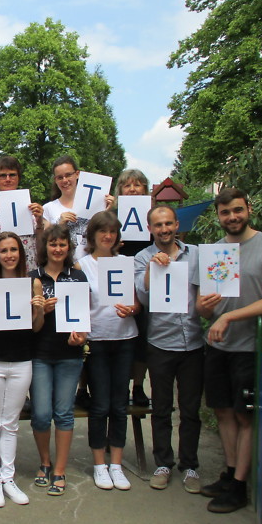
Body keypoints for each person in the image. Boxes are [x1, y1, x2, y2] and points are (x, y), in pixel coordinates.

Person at [196, 188, 262, 513]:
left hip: (251, 350)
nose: (232, 217)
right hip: (218, 347)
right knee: (223, 410)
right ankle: (229, 472)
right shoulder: (215, 253)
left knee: (246, 414)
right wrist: (206, 307)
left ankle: (240, 486)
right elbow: (205, 311)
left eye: (237, 210)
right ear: (218, 216)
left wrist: (229, 316)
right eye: (225, 213)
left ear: (249, 209)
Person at [134, 206, 204, 493]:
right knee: (161, 408)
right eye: (157, 225)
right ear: (150, 229)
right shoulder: (142, 258)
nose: (163, 229)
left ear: (177, 225)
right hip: (160, 342)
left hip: (194, 342)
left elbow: (208, 290)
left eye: (168, 224)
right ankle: (163, 463)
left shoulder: (197, 255)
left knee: (190, 409)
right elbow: (142, 295)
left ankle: (190, 466)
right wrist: (153, 268)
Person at [0, 232, 44, 507]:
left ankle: (8, 478)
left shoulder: (32, 283)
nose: (9, 255)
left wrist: (38, 311)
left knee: (10, 423)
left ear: (21, 253)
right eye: (4, 251)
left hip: (22, 360)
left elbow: (36, 327)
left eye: (13, 249)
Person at [77, 210, 140, 491]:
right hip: (98, 341)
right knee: (100, 404)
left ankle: (117, 464)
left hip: (125, 339)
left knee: (119, 404)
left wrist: (133, 308)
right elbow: (77, 306)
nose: (108, 235)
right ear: (92, 236)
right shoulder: (82, 265)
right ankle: (99, 465)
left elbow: (137, 302)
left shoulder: (127, 262)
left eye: (112, 231)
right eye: (102, 231)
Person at [29, 225, 88, 497]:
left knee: (63, 414)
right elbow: (29, 326)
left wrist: (81, 337)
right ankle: (45, 462)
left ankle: (60, 470)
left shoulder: (77, 276)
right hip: (39, 354)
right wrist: (41, 311)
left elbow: (84, 318)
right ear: (45, 247)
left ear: (68, 247)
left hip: (69, 355)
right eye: (53, 244)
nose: (58, 248)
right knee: (41, 414)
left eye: (62, 244)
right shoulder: (32, 278)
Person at [113, 168, 153, 408]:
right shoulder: (113, 215)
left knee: (142, 335)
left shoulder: (152, 216)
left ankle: (138, 385)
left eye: (138, 184)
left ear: (145, 189)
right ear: (120, 190)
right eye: (127, 185)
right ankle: (121, 386)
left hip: (146, 277)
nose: (133, 189)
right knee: (118, 330)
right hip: (118, 275)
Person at [0, 155, 44, 277]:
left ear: (18, 177)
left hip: (27, 273)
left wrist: (40, 223)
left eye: (12, 175)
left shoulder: (31, 208)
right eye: (2, 175)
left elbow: (40, 247)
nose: (8, 179)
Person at [43, 155, 114, 260]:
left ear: (77, 174)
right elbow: (45, 243)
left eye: (68, 175)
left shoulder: (96, 203)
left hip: (92, 265)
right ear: (55, 180)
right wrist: (59, 224)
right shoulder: (48, 208)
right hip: (63, 268)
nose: (65, 180)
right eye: (60, 177)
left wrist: (107, 212)